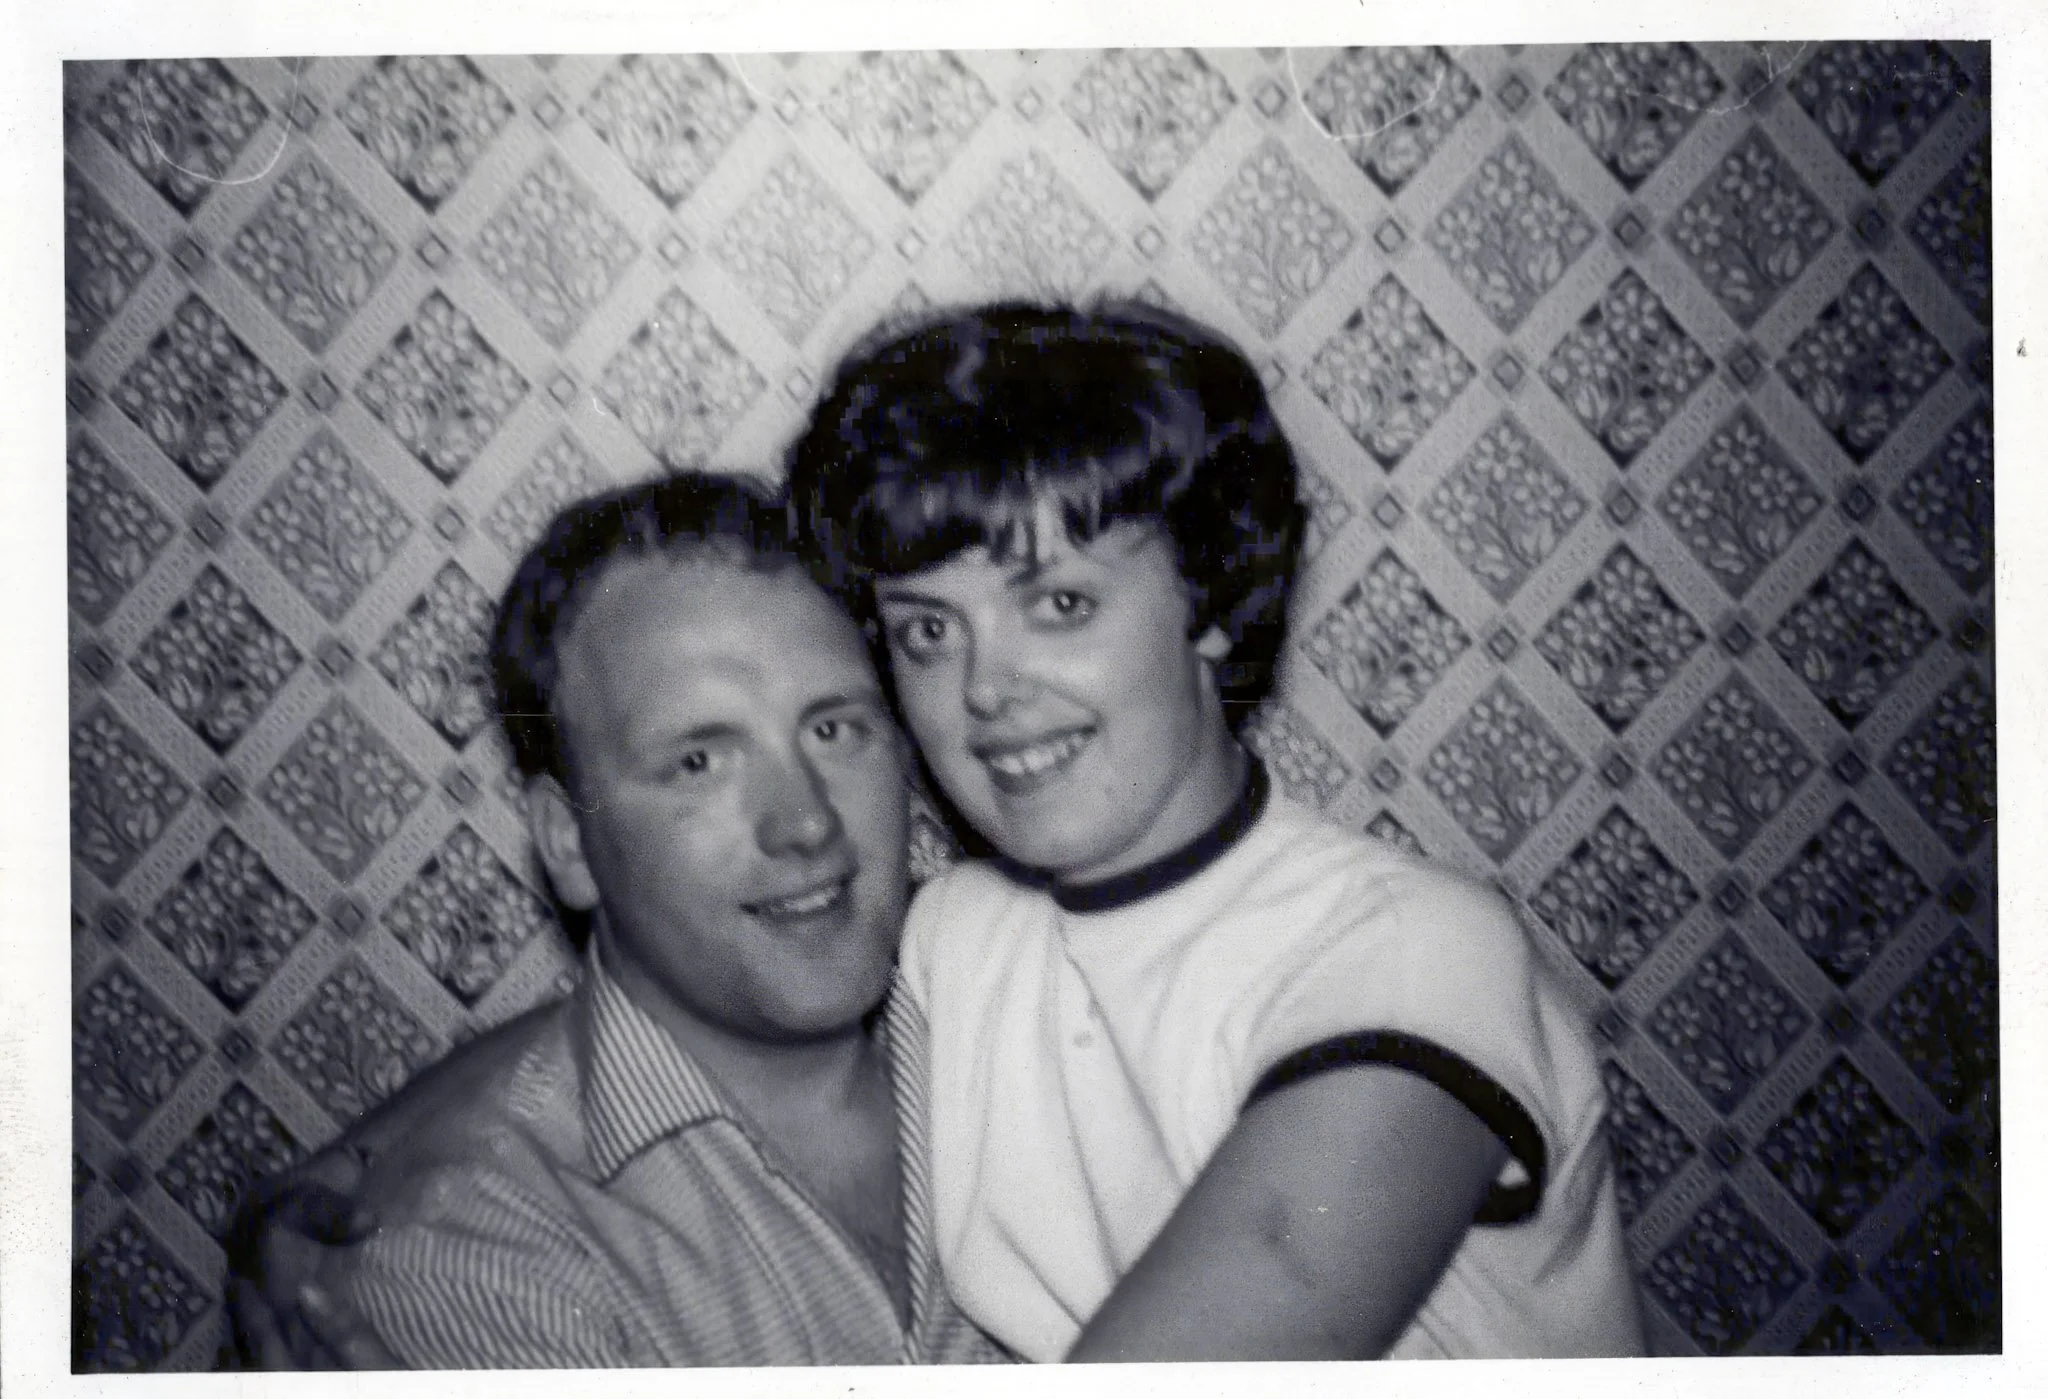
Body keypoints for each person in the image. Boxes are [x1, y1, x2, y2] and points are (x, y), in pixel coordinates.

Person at [785, 302, 1646, 1360]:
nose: (985, 688)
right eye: (927, 630)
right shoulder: (949, 943)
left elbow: (1264, 1283)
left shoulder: (1410, 949)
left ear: (1212, 602)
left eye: (1057, 604)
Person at [230, 473, 1008, 1367]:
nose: (807, 823)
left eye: (834, 730)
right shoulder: (471, 1258)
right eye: (699, 761)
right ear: (565, 842)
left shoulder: (1032, 1023)